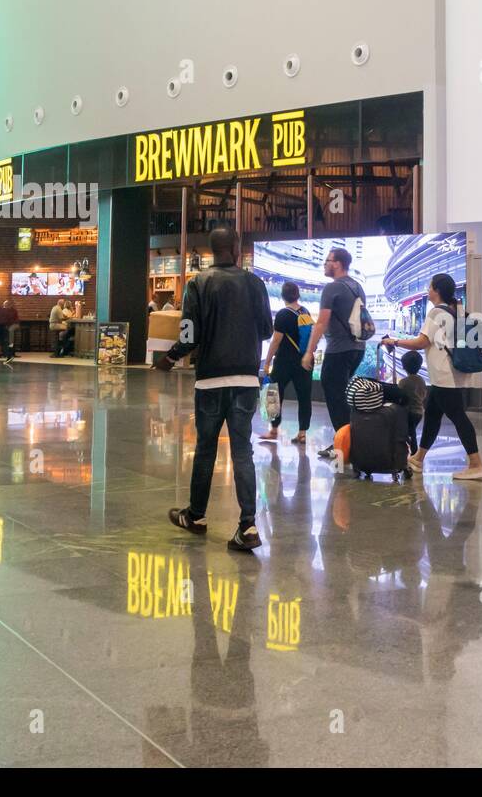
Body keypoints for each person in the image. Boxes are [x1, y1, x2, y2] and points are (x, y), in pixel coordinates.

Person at [157, 226, 274, 552]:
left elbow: (189, 334)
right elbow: (266, 329)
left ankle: (195, 516)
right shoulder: (255, 284)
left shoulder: (197, 284)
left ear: (210, 251)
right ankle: (248, 525)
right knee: (242, 452)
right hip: (246, 382)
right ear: (236, 249)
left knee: (206, 449)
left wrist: (169, 357)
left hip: (209, 381)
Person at [381, 273, 482, 480]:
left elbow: (421, 342)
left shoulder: (437, 313)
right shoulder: (457, 311)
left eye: (429, 287)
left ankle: (476, 464)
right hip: (449, 375)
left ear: (436, 290)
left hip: (446, 376)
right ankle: (418, 458)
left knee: (458, 417)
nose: (427, 291)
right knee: (433, 415)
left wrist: (394, 342)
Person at [300, 247, 366, 458]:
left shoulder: (332, 288)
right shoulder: (357, 286)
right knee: (342, 396)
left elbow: (321, 323)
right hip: (357, 349)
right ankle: (349, 442)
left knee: (335, 397)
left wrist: (309, 352)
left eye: (327, 261)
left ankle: (344, 447)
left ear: (337, 264)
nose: (325, 265)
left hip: (339, 350)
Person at [259, 281, 313, 445]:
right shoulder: (305, 312)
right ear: (297, 295)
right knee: (304, 397)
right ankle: (302, 433)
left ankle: (274, 430)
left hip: (284, 361)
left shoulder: (283, 314)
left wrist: (267, 362)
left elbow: (275, 342)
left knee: (273, 393)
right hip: (304, 361)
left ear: (283, 296)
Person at [397, 350, 427, 456]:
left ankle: (413, 454)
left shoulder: (404, 382)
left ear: (404, 366)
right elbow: (424, 394)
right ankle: (412, 452)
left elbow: (399, 396)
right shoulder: (422, 380)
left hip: (408, 412)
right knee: (411, 432)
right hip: (419, 412)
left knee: (410, 433)